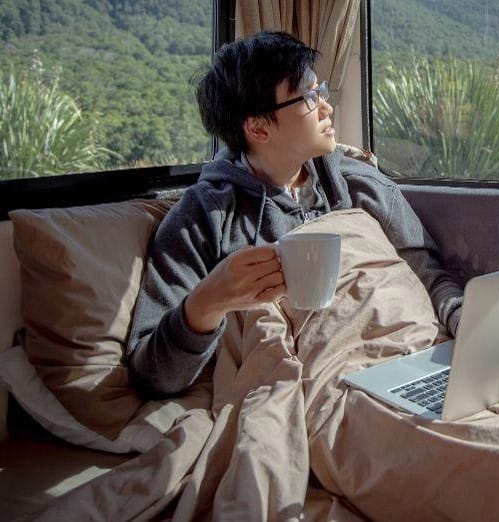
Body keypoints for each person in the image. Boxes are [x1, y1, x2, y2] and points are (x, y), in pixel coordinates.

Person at [126, 31, 464, 397]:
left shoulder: (357, 180)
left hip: (424, 359)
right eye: (308, 97)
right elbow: (151, 374)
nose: (326, 107)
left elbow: (427, 274)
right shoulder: (204, 217)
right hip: (326, 387)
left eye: (322, 91)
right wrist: (206, 304)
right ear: (258, 127)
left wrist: (470, 324)